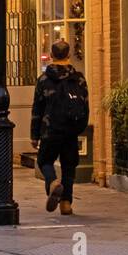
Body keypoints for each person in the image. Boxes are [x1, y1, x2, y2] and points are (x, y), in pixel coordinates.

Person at [31, 39, 90, 215]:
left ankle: (53, 182)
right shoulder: (79, 78)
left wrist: (34, 135)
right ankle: (66, 204)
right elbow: (85, 105)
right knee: (69, 166)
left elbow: (37, 109)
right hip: (71, 130)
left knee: (44, 161)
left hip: (50, 129)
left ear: (51, 56)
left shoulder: (43, 80)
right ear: (69, 55)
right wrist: (80, 127)